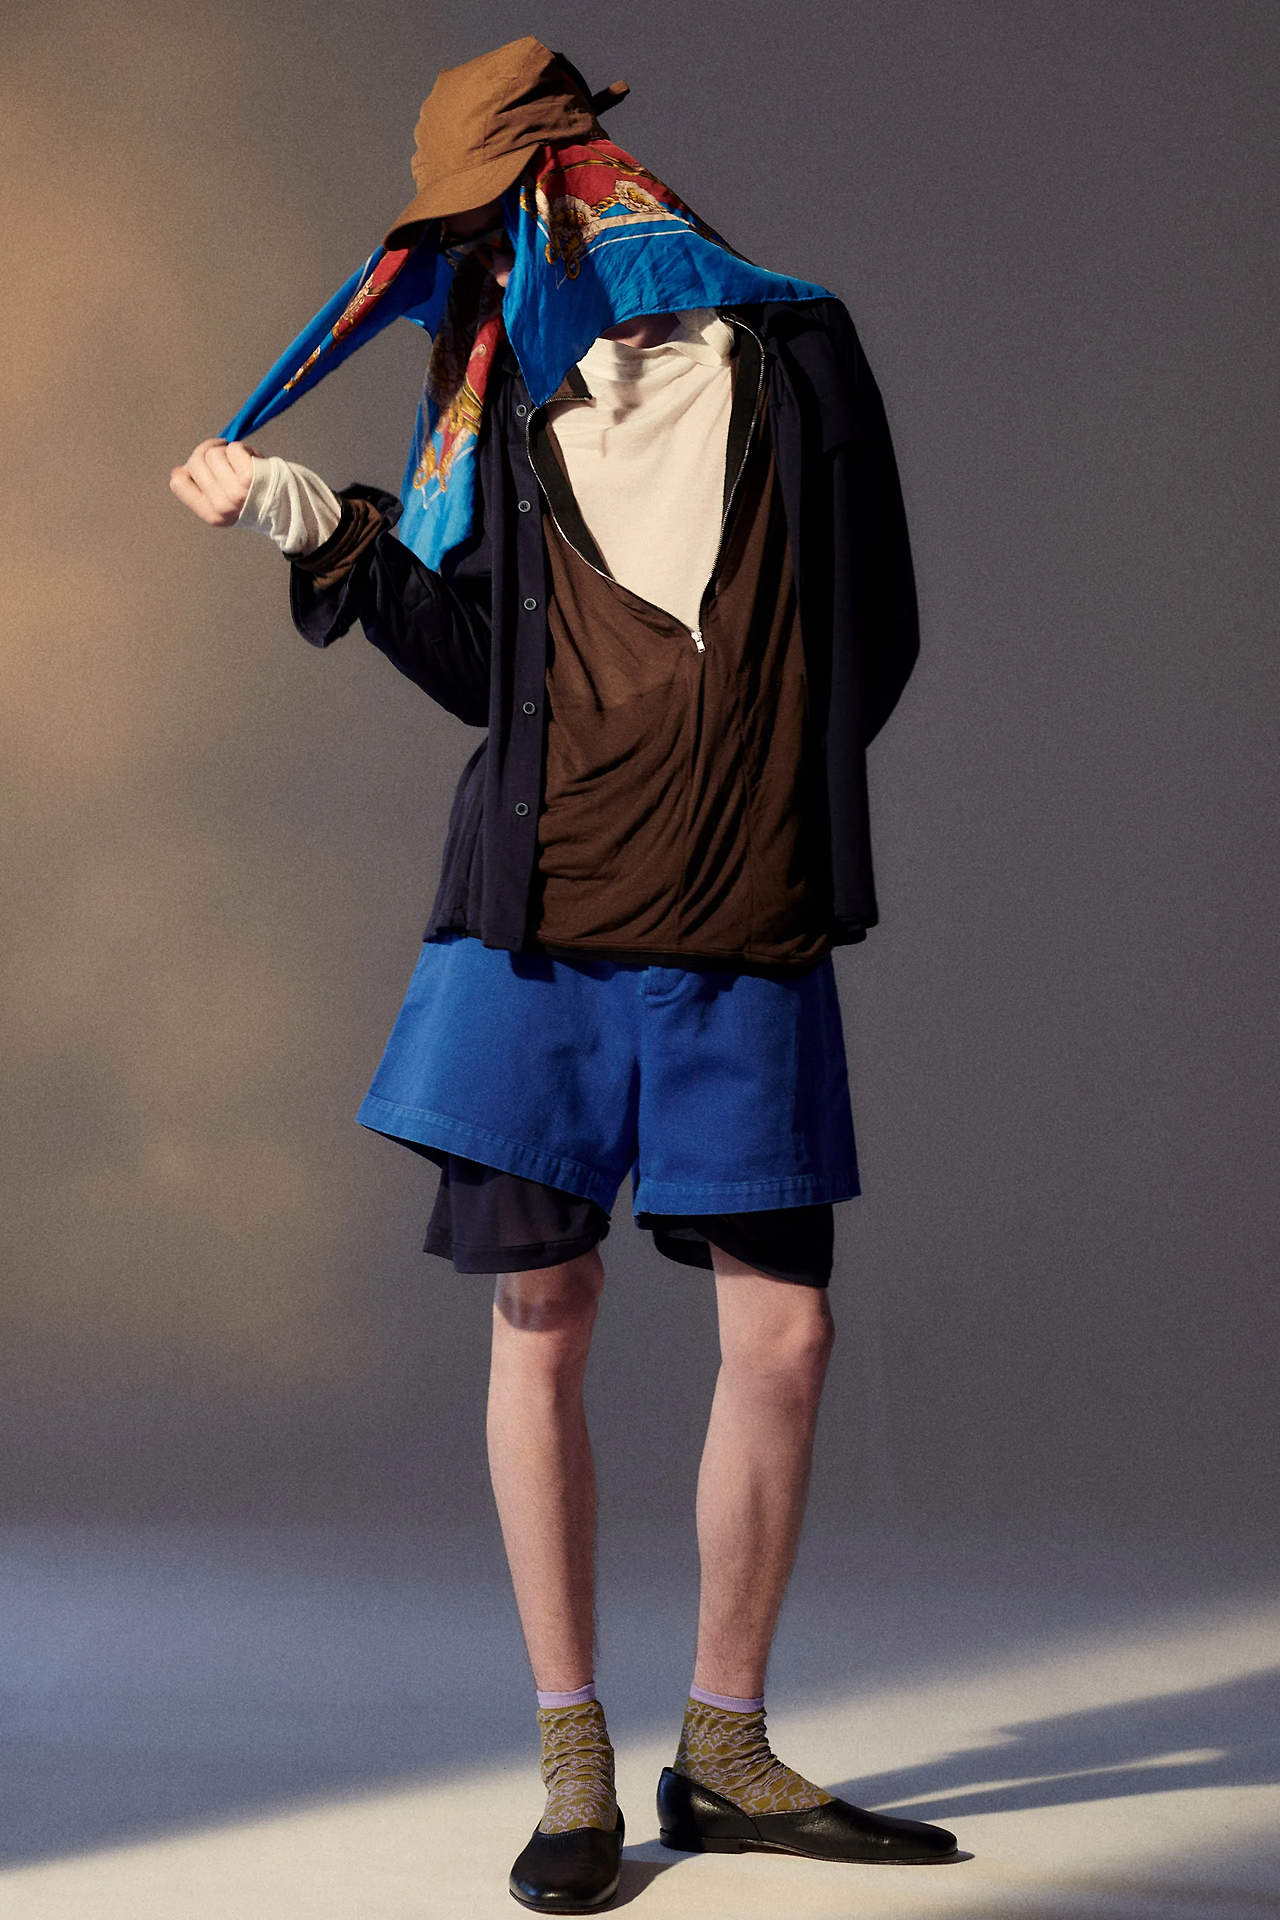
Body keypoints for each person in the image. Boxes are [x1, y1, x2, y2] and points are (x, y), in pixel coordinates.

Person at [171, 36, 958, 1913]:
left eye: (481, 222)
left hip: (738, 914)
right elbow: (473, 666)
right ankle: (576, 1760)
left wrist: (756, 781)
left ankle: (729, 1752)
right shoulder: (490, 401)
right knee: (545, 1316)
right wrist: (314, 523)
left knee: (785, 1333)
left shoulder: (797, 354)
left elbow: (879, 624)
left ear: (568, 187)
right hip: (535, 920)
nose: (474, 260)